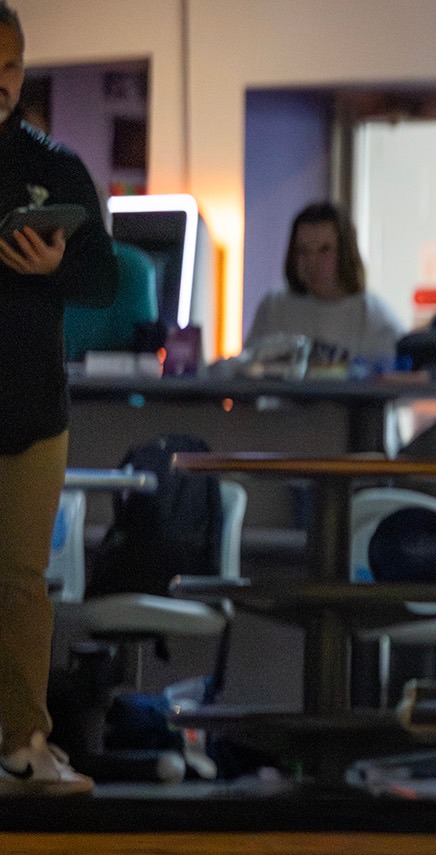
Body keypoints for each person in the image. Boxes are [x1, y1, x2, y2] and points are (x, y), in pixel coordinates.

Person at [0, 0, 117, 795]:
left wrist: (53, 271)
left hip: (31, 406)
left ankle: (24, 741)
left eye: (8, 68)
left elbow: (106, 280)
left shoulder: (55, 164)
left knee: (20, 581)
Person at [245, 202, 404, 361]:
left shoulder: (375, 320)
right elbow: (245, 369)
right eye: (303, 251)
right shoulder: (273, 308)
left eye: (324, 250)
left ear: (345, 253)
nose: (312, 263)